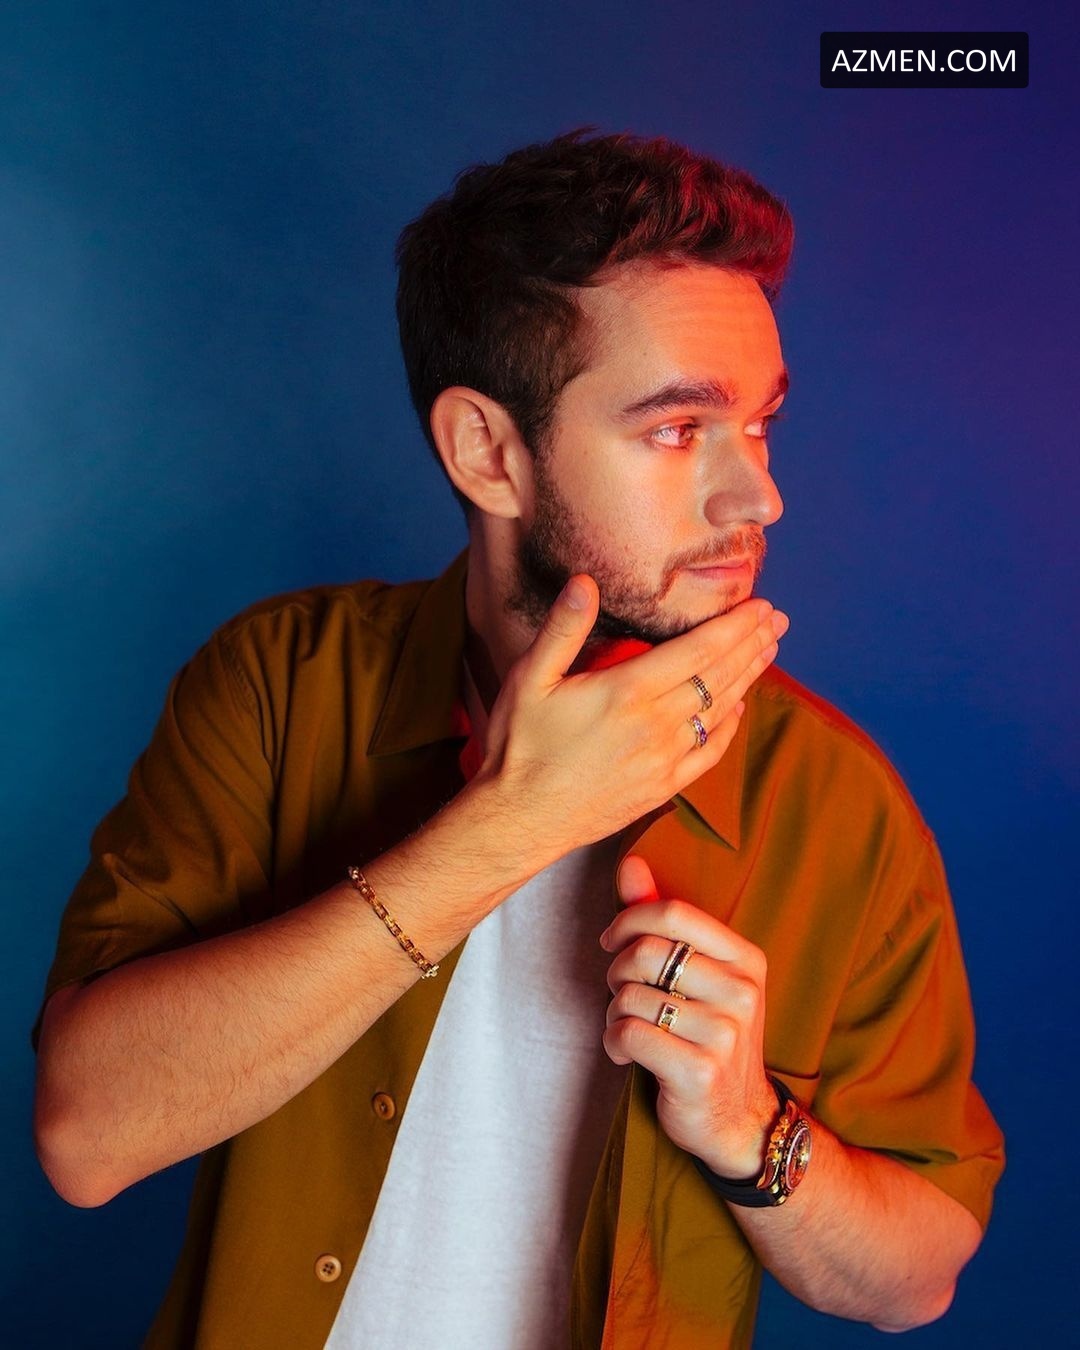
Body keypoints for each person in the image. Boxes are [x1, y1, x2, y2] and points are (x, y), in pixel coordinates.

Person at [33, 130, 1003, 1349]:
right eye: (677, 430)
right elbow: (86, 1137)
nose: (758, 496)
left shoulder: (836, 802)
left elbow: (916, 1281)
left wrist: (750, 1129)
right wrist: (509, 827)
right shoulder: (281, 685)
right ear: (487, 453)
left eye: (759, 424)